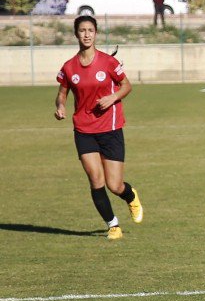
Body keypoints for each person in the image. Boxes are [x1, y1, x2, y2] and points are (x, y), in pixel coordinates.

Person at [54, 15, 144, 240]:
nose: (86, 34)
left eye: (90, 30)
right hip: (84, 130)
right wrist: (60, 107)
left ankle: (130, 196)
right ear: (76, 34)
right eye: (82, 30)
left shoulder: (108, 62)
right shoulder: (69, 67)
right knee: (96, 179)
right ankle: (113, 225)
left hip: (110, 128)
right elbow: (62, 93)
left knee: (114, 185)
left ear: (96, 34)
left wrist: (112, 97)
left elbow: (127, 86)